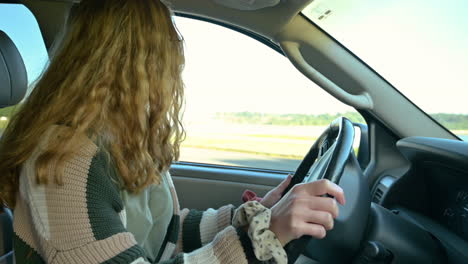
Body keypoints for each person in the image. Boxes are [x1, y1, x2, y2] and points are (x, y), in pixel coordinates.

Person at [0, 0, 345, 263]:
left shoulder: (121, 141)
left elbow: (165, 234)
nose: (173, 77)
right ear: (137, 65)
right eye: (166, 60)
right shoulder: (62, 160)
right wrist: (263, 236)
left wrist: (256, 216)